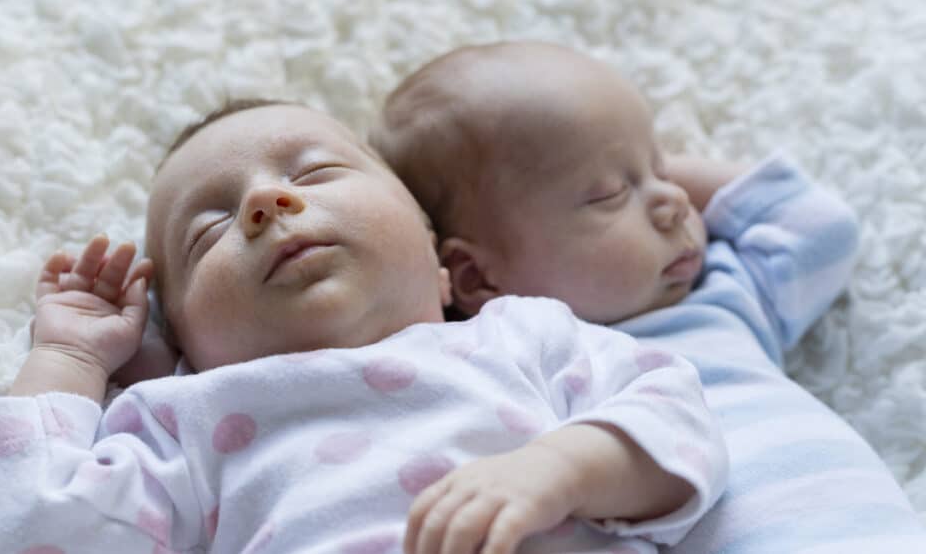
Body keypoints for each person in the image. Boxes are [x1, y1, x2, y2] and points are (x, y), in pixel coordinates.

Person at [0, 100, 728, 554]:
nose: (265, 202)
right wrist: (67, 356)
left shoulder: (520, 335)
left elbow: (672, 415)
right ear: (187, 343)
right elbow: (37, 528)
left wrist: (557, 470)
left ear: (437, 256)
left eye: (314, 173)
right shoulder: (186, 419)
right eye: (210, 229)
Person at [371, 40, 926, 552]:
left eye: (663, 168)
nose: (674, 202)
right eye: (610, 194)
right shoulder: (501, 362)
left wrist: (628, 163)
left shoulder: (719, 297)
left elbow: (819, 228)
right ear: (475, 278)